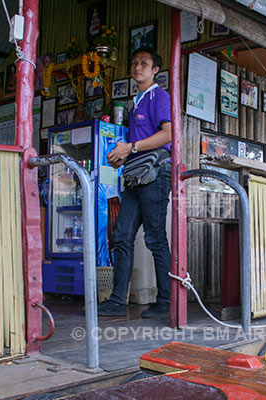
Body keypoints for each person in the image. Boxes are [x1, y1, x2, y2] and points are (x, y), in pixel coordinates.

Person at [98, 48, 172, 318]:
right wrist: (123, 156)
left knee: (155, 238)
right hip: (135, 174)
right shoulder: (137, 100)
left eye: (144, 64)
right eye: (134, 63)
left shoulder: (159, 96)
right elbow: (136, 145)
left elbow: (168, 134)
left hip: (156, 174)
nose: (137, 67)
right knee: (121, 236)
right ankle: (118, 301)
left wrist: (130, 147)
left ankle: (165, 301)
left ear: (155, 70)